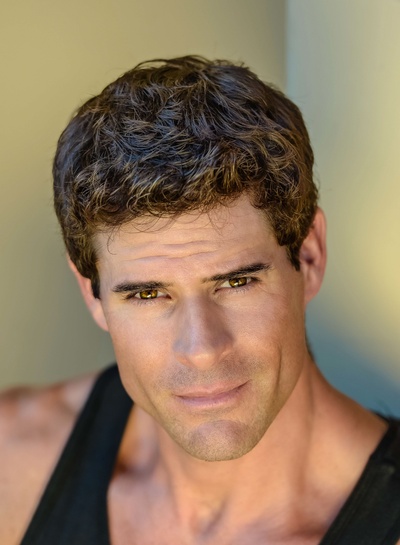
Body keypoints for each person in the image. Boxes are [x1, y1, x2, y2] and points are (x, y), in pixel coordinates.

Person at [1, 56, 399, 545]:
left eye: (236, 282)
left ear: (309, 257)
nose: (203, 349)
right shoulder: (12, 466)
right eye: (148, 293)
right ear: (93, 293)